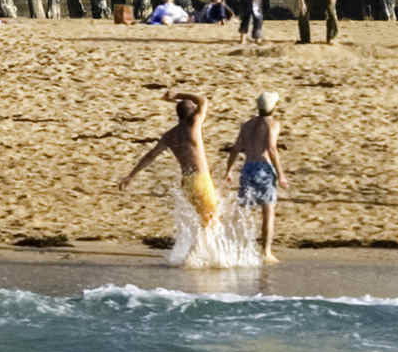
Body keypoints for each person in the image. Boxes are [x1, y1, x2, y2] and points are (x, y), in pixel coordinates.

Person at [118, 91, 218, 229]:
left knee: (198, 222)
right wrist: (177, 95)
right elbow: (203, 100)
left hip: (187, 182)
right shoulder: (194, 123)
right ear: (192, 113)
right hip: (201, 180)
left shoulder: (170, 135)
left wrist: (130, 176)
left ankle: (195, 250)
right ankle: (201, 250)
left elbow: (150, 156)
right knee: (211, 222)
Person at [224, 91, 286, 262]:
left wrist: (228, 170)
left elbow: (236, 148)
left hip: (247, 168)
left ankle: (236, 248)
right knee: (268, 212)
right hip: (263, 168)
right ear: (274, 107)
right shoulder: (273, 123)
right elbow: (272, 148)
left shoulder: (247, 124)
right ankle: (265, 252)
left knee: (244, 210)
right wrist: (281, 174)